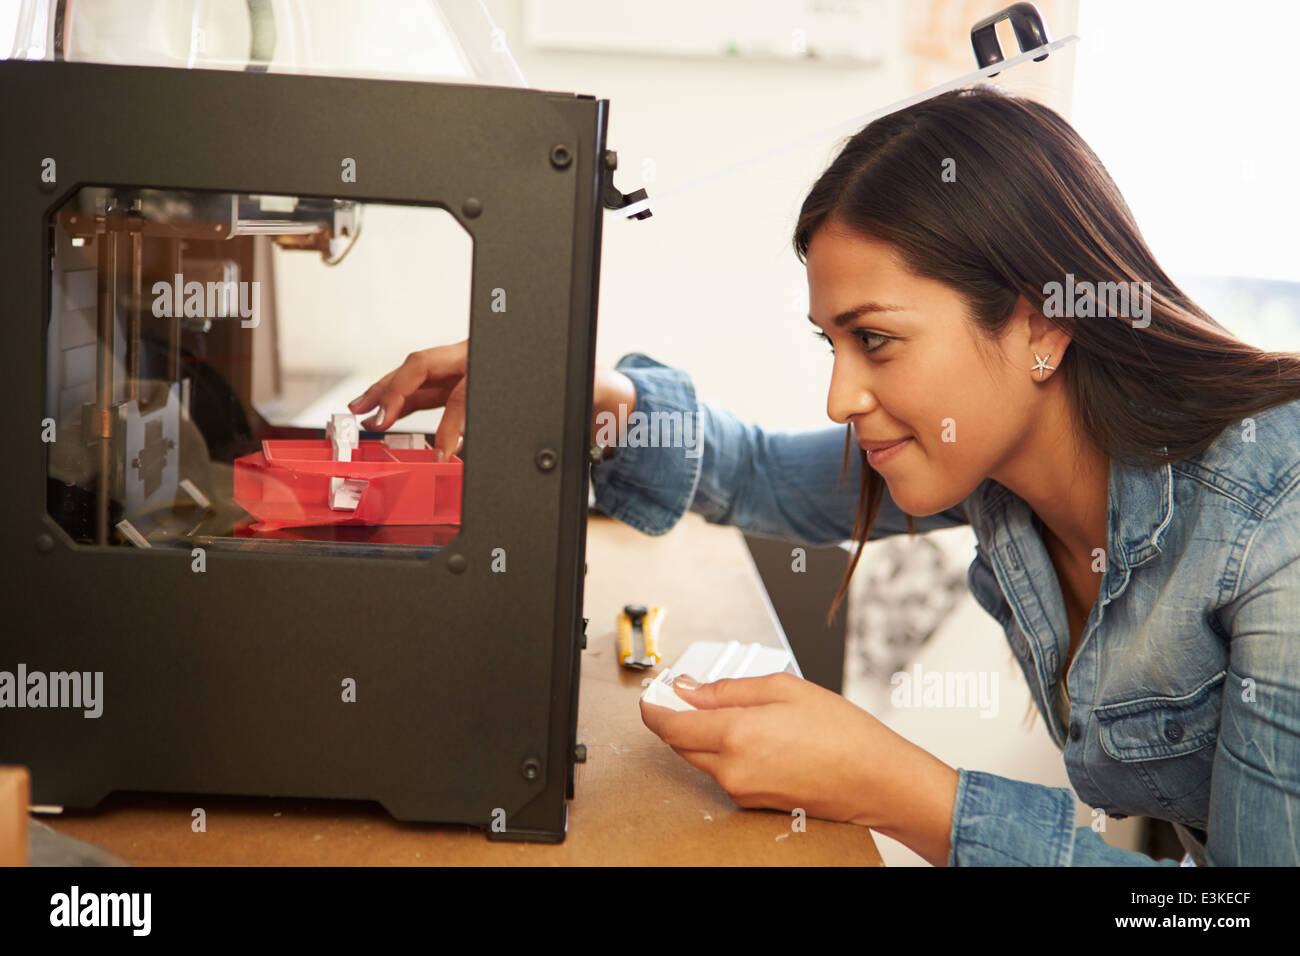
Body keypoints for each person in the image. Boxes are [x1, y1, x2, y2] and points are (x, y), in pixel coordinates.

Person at [349, 85, 1300, 866]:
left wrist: (905, 793)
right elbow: (761, 474)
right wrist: (580, 396)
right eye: (833, 343)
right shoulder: (993, 464)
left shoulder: (1276, 528)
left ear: (1043, 324)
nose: (841, 396)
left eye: (876, 340)